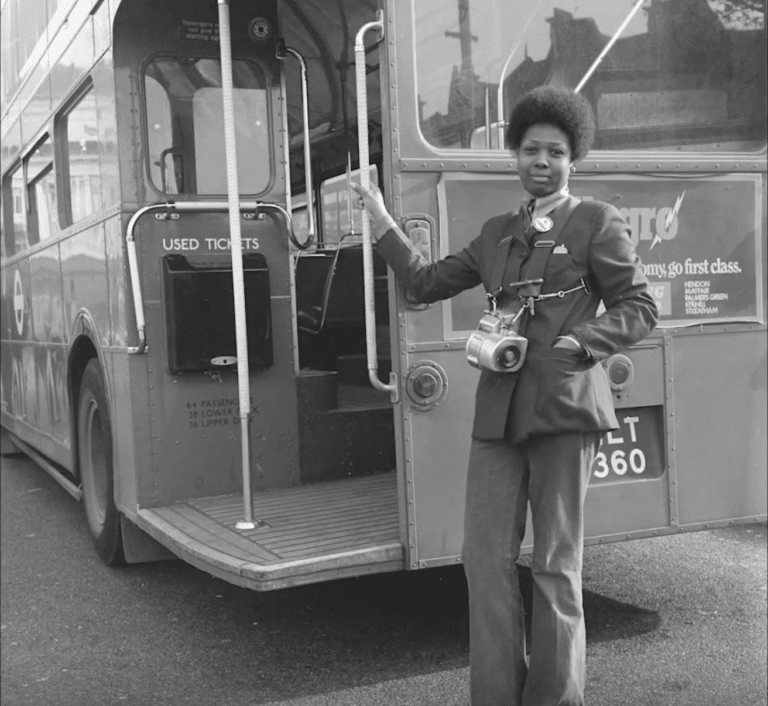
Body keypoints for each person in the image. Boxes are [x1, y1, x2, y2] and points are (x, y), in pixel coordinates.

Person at [352, 85, 658, 706]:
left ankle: (553, 698)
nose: (540, 161)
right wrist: (380, 217)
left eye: (555, 152)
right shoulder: (495, 233)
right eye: (529, 150)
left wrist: (588, 341)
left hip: (566, 409)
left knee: (554, 564)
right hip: (498, 414)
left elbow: (640, 305)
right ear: (512, 155)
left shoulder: (596, 220)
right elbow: (424, 280)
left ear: (574, 160)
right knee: (483, 561)